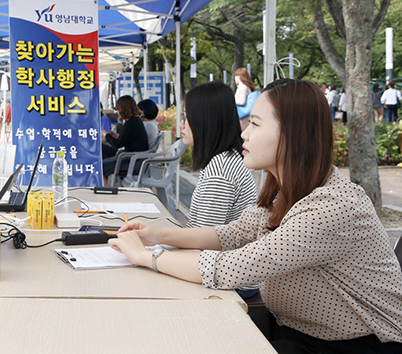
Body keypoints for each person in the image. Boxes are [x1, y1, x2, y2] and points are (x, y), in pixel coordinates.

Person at [109, 79, 402, 353]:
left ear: (293, 134)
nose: (244, 133)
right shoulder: (284, 189)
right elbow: (231, 234)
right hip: (292, 328)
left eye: (255, 124)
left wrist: (146, 257)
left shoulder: (331, 208)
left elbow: (232, 267)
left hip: (359, 345)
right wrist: (156, 235)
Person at [180, 82, 257, 229]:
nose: (181, 124)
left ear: (205, 120)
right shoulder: (224, 159)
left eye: (186, 117)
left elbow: (202, 240)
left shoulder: (219, 172)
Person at [101, 95, 149, 182]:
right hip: (136, 159)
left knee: (100, 167)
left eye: (117, 109)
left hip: (132, 161)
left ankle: (105, 191)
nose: (117, 111)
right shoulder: (135, 121)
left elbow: (117, 144)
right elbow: (126, 140)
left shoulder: (130, 123)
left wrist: (105, 134)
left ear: (123, 109)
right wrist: (116, 136)